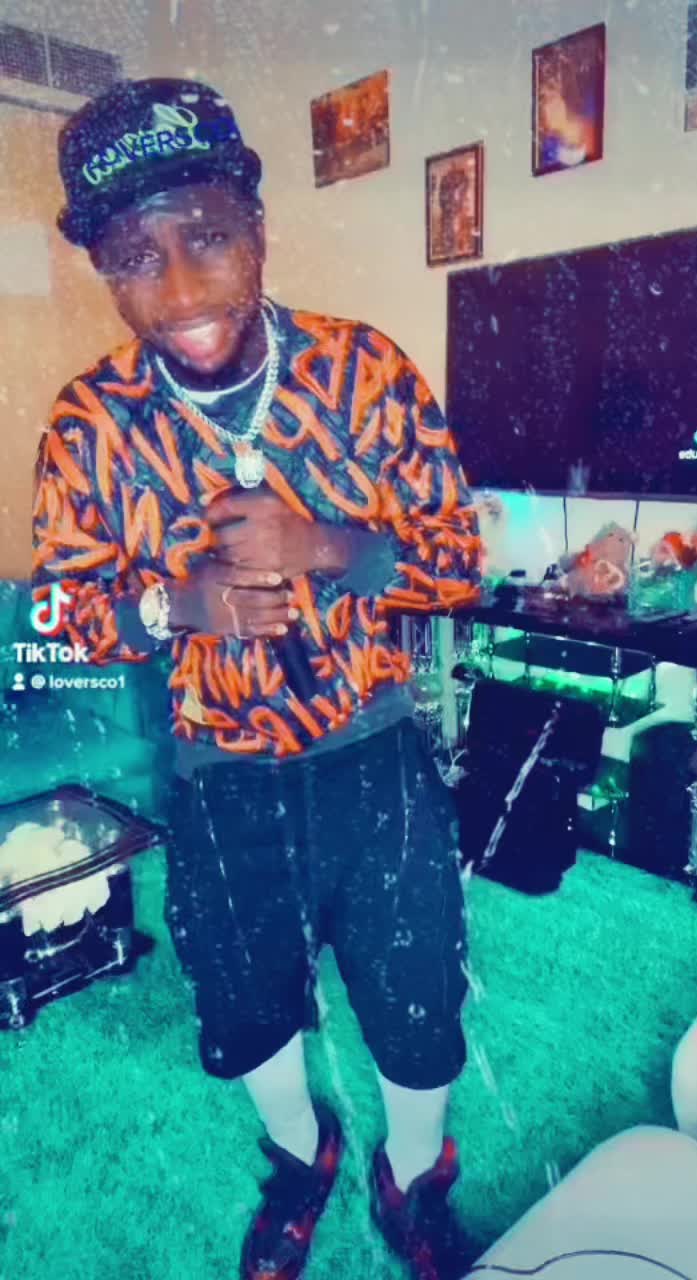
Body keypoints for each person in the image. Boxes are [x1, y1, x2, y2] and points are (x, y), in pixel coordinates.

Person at [31, 77, 485, 1280]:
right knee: (244, 1009)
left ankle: (415, 1174)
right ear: (102, 269)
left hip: (373, 755)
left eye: (208, 237)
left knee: (418, 999)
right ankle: (301, 1157)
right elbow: (66, 611)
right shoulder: (88, 425)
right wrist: (175, 603)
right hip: (219, 776)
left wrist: (327, 544)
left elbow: (457, 560)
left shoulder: (364, 371)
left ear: (259, 226)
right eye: (136, 258)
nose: (181, 289)